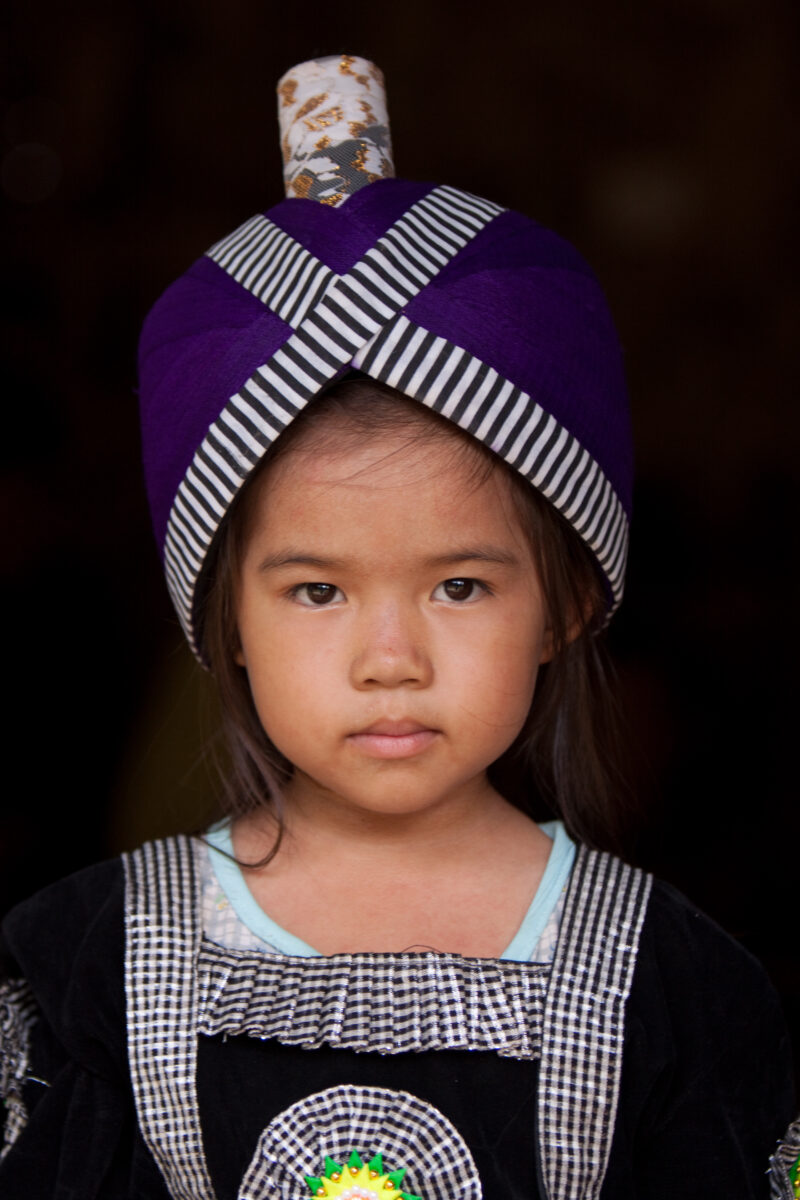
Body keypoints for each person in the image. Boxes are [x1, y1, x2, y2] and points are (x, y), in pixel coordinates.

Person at [0, 55, 794, 1200]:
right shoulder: (95, 969)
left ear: (566, 603)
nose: (390, 662)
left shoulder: (669, 988)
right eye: (316, 592)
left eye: (458, 587)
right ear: (226, 619)